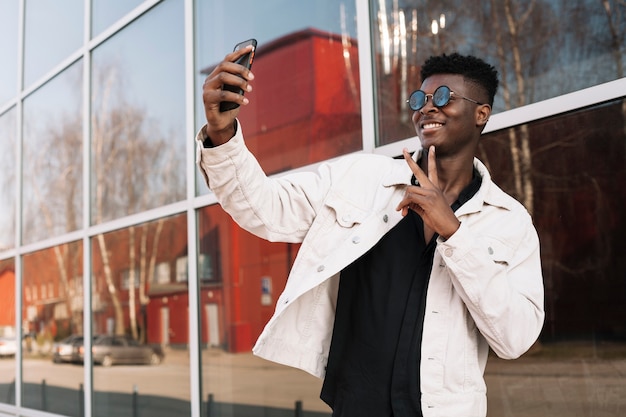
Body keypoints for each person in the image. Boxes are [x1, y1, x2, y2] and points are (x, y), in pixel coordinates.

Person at [197, 48, 545, 417]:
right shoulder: (362, 180)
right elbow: (265, 208)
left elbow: (515, 339)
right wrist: (223, 134)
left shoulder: (508, 220)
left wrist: (454, 233)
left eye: (443, 97)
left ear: (481, 114)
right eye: (419, 99)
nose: (427, 108)